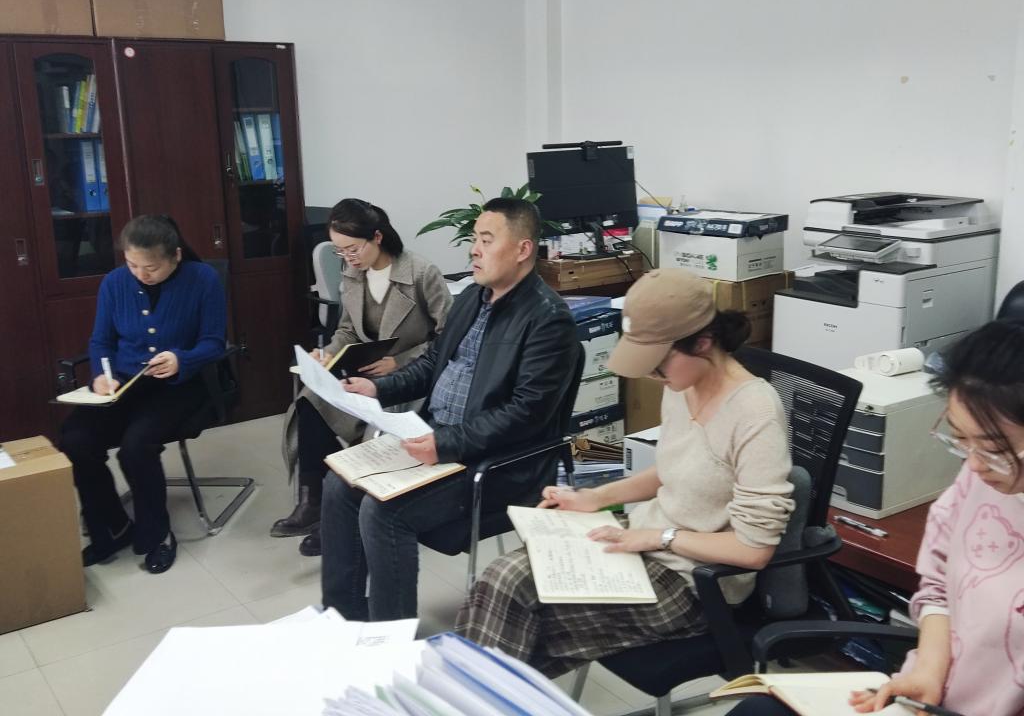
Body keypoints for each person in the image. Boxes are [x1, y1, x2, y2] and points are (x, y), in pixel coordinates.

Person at [455, 267, 795, 677]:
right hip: (641, 544)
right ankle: (476, 693)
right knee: (502, 582)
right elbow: (672, 470)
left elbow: (754, 551)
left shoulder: (754, 412)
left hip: (694, 584)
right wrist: (596, 498)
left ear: (703, 343)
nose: (653, 376)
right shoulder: (683, 384)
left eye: (658, 365)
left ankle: (471, 693)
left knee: (516, 617)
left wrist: (658, 537)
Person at [726, 319, 1024, 716]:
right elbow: (938, 589)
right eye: (960, 439)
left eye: (992, 449)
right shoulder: (978, 482)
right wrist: (929, 673)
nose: (973, 464)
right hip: (923, 698)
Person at [320, 197, 579, 621]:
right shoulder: (472, 298)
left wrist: (445, 443)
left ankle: (390, 637)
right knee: (338, 485)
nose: (474, 249)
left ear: (522, 250)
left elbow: (525, 414)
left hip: (493, 463)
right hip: (435, 438)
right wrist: (378, 387)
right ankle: (344, 617)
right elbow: (432, 364)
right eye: (475, 239)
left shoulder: (548, 321)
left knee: (383, 510)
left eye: (487, 240)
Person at [271, 199, 451, 556]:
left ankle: (340, 514)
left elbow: (448, 338)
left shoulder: (421, 273)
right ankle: (315, 503)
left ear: (377, 237)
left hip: (410, 377)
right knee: (310, 402)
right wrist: (328, 354)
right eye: (339, 251)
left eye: (352, 248)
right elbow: (348, 330)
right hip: (363, 369)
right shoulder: (353, 273)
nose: (347, 258)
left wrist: (400, 361)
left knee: (362, 423)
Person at [59, 214, 226, 575]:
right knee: (74, 438)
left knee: (137, 446)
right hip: (125, 384)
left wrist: (182, 359)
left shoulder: (203, 279)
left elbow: (214, 342)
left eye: (150, 268)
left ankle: (157, 534)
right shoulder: (114, 283)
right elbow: (101, 341)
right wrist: (102, 376)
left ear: (175, 256)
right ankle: (113, 527)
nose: (140, 274)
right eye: (132, 265)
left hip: (179, 387)